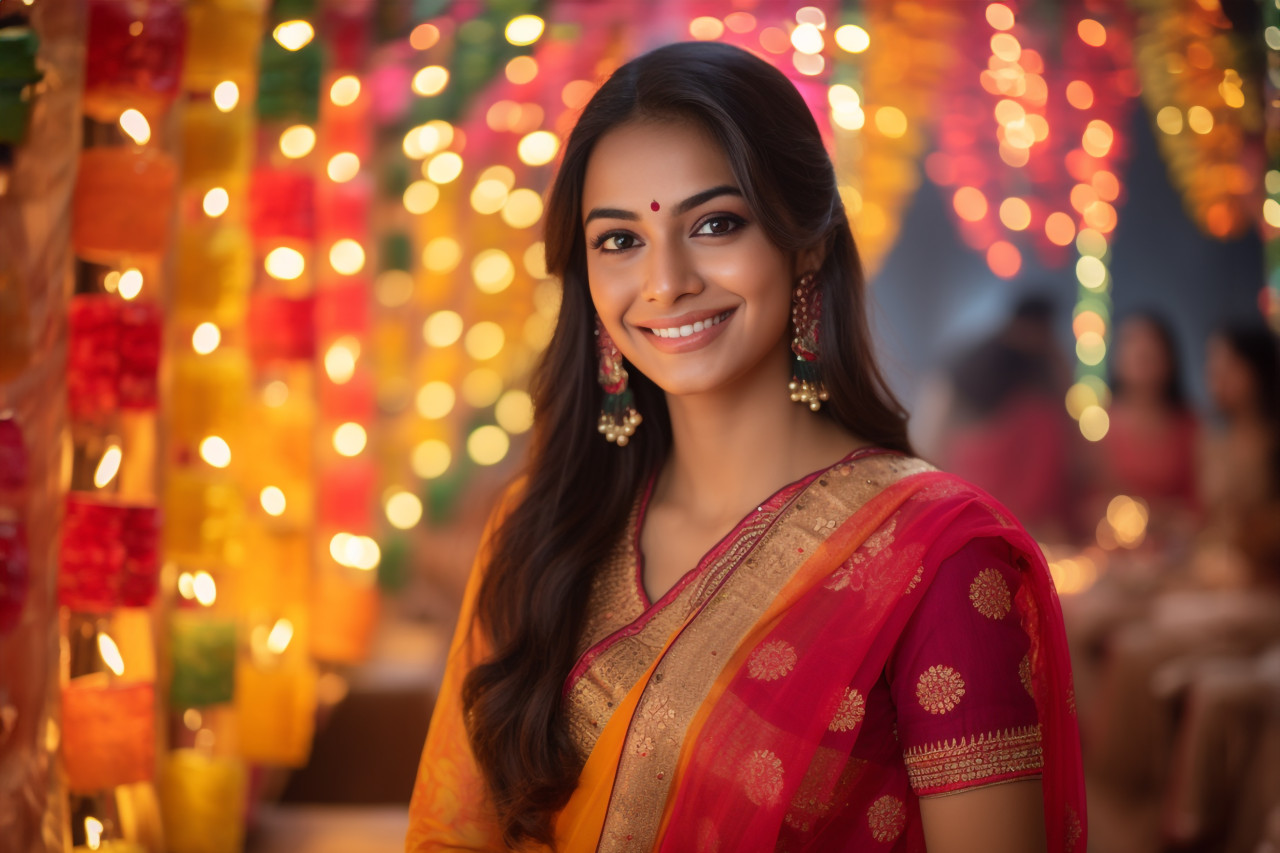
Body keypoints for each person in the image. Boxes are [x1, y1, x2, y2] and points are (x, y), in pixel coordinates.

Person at [406, 42, 1084, 852]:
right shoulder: (542, 532)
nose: (666, 282)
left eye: (717, 224)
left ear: (807, 245)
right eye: (619, 240)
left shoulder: (937, 563)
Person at [1088, 312, 1199, 550]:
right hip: (1111, 552)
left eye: (1151, 344)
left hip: (1179, 553)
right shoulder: (1097, 425)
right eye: (1131, 341)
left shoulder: (1188, 425)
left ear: (1169, 357)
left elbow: (1199, 502)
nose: (1141, 351)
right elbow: (1086, 501)